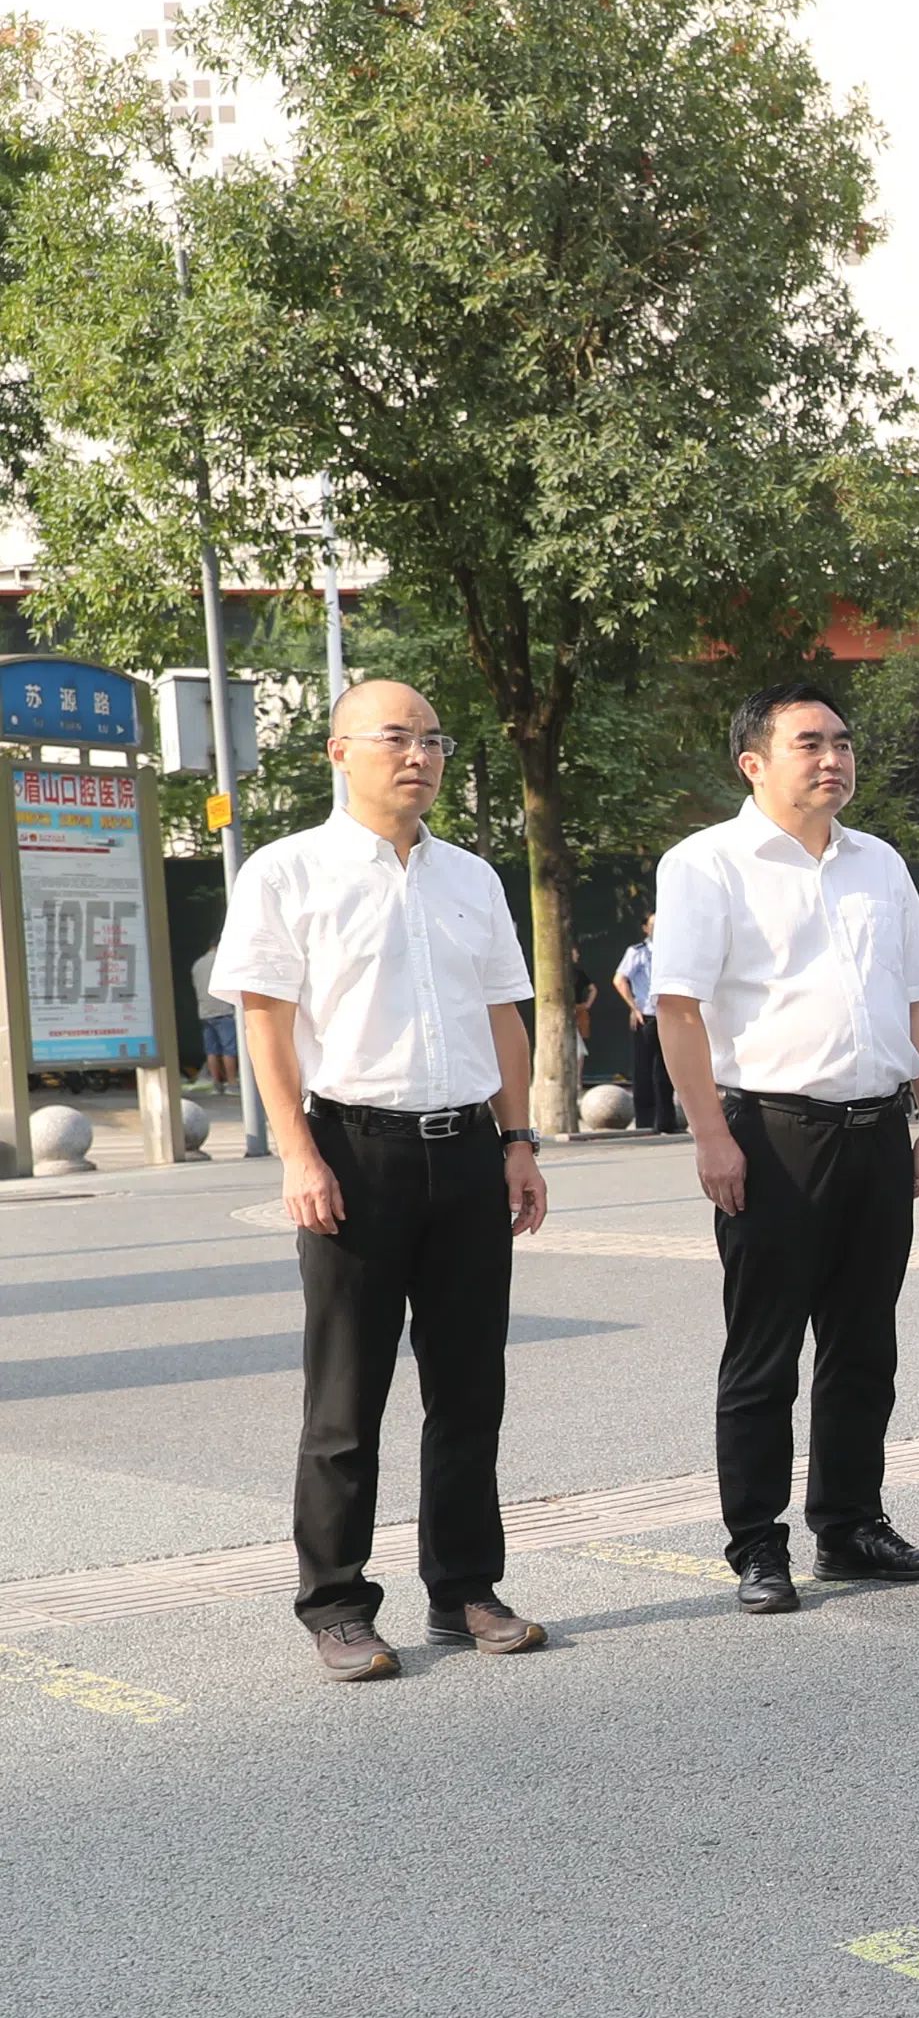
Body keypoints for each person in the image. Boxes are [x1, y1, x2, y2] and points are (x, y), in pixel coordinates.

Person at [210, 679, 552, 1679]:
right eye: (395, 737)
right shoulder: (288, 872)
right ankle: (337, 1602)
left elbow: (504, 1015)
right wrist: (297, 1152)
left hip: (467, 1150)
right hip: (354, 1151)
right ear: (338, 752)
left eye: (434, 739)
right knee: (346, 1395)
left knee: (468, 1386)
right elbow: (264, 1020)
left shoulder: (472, 880)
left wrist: (518, 1139)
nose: (419, 756)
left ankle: (465, 1589)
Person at [649, 682, 919, 1617]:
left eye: (842, 741)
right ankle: (757, 1542)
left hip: (876, 1131)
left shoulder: (878, 864)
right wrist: (712, 1134)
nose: (833, 758)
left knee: (866, 1343)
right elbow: (679, 1009)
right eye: (809, 743)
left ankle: (851, 1524)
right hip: (770, 1134)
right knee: (765, 1351)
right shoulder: (708, 863)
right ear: (755, 763)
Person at [610, 931, 679, 1133]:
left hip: (667, 1015)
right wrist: (634, 1007)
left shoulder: (671, 950)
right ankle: (646, 1123)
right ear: (645, 928)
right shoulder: (637, 952)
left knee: (666, 1070)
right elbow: (619, 979)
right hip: (646, 1015)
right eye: (653, 924)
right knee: (644, 1069)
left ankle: (667, 1121)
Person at [191, 945, 237, 1092]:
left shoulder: (197, 964)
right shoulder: (223, 962)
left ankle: (216, 1084)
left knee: (211, 1051)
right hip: (223, 1011)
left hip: (205, 1013)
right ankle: (231, 1084)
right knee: (229, 1050)